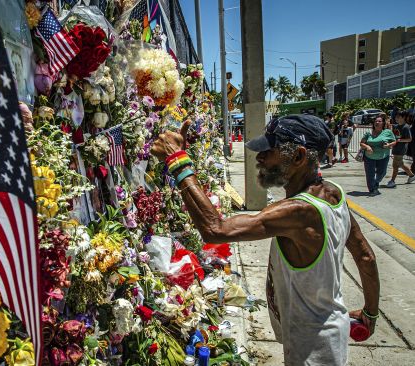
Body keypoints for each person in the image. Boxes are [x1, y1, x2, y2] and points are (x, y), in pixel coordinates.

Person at [152, 114, 379, 366]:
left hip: (312, 348)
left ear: (298, 157)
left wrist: (178, 162)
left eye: (268, 151)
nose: (259, 158)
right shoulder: (333, 193)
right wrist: (370, 313)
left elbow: (215, 229)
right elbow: (365, 256)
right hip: (329, 330)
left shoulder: (298, 212)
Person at [359, 113, 396, 196]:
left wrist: (388, 145)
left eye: (379, 121)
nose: (377, 122)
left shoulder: (387, 132)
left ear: (383, 123)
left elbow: (394, 141)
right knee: (370, 174)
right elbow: (361, 143)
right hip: (369, 157)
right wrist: (367, 146)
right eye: (376, 121)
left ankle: (376, 182)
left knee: (382, 172)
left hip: (383, 157)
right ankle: (372, 189)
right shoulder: (368, 133)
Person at [386, 110, 415, 187]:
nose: (396, 118)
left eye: (398, 117)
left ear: (403, 117)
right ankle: (412, 175)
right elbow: (392, 136)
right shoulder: (396, 126)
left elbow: (409, 139)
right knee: (401, 164)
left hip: (401, 149)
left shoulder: (406, 127)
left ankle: (392, 181)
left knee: (395, 166)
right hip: (396, 148)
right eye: (396, 116)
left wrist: (400, 140)